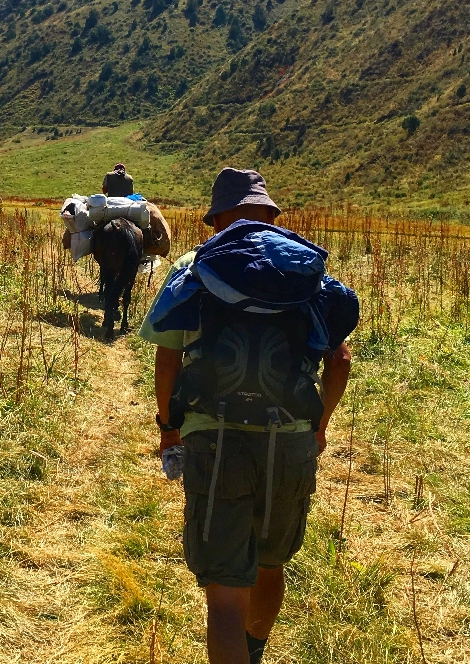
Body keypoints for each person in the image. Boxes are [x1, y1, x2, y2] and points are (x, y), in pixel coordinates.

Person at [140, 168, 356, 664]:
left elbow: (167, 356)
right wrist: (318, 427)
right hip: (291, 441)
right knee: (270, 564)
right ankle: (254, 653)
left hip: (214, 441)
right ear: (271, 216)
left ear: (216, 219)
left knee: (224, 596)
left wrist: (169, 430)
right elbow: (340, 360)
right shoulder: (306, 271)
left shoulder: (196, 267)